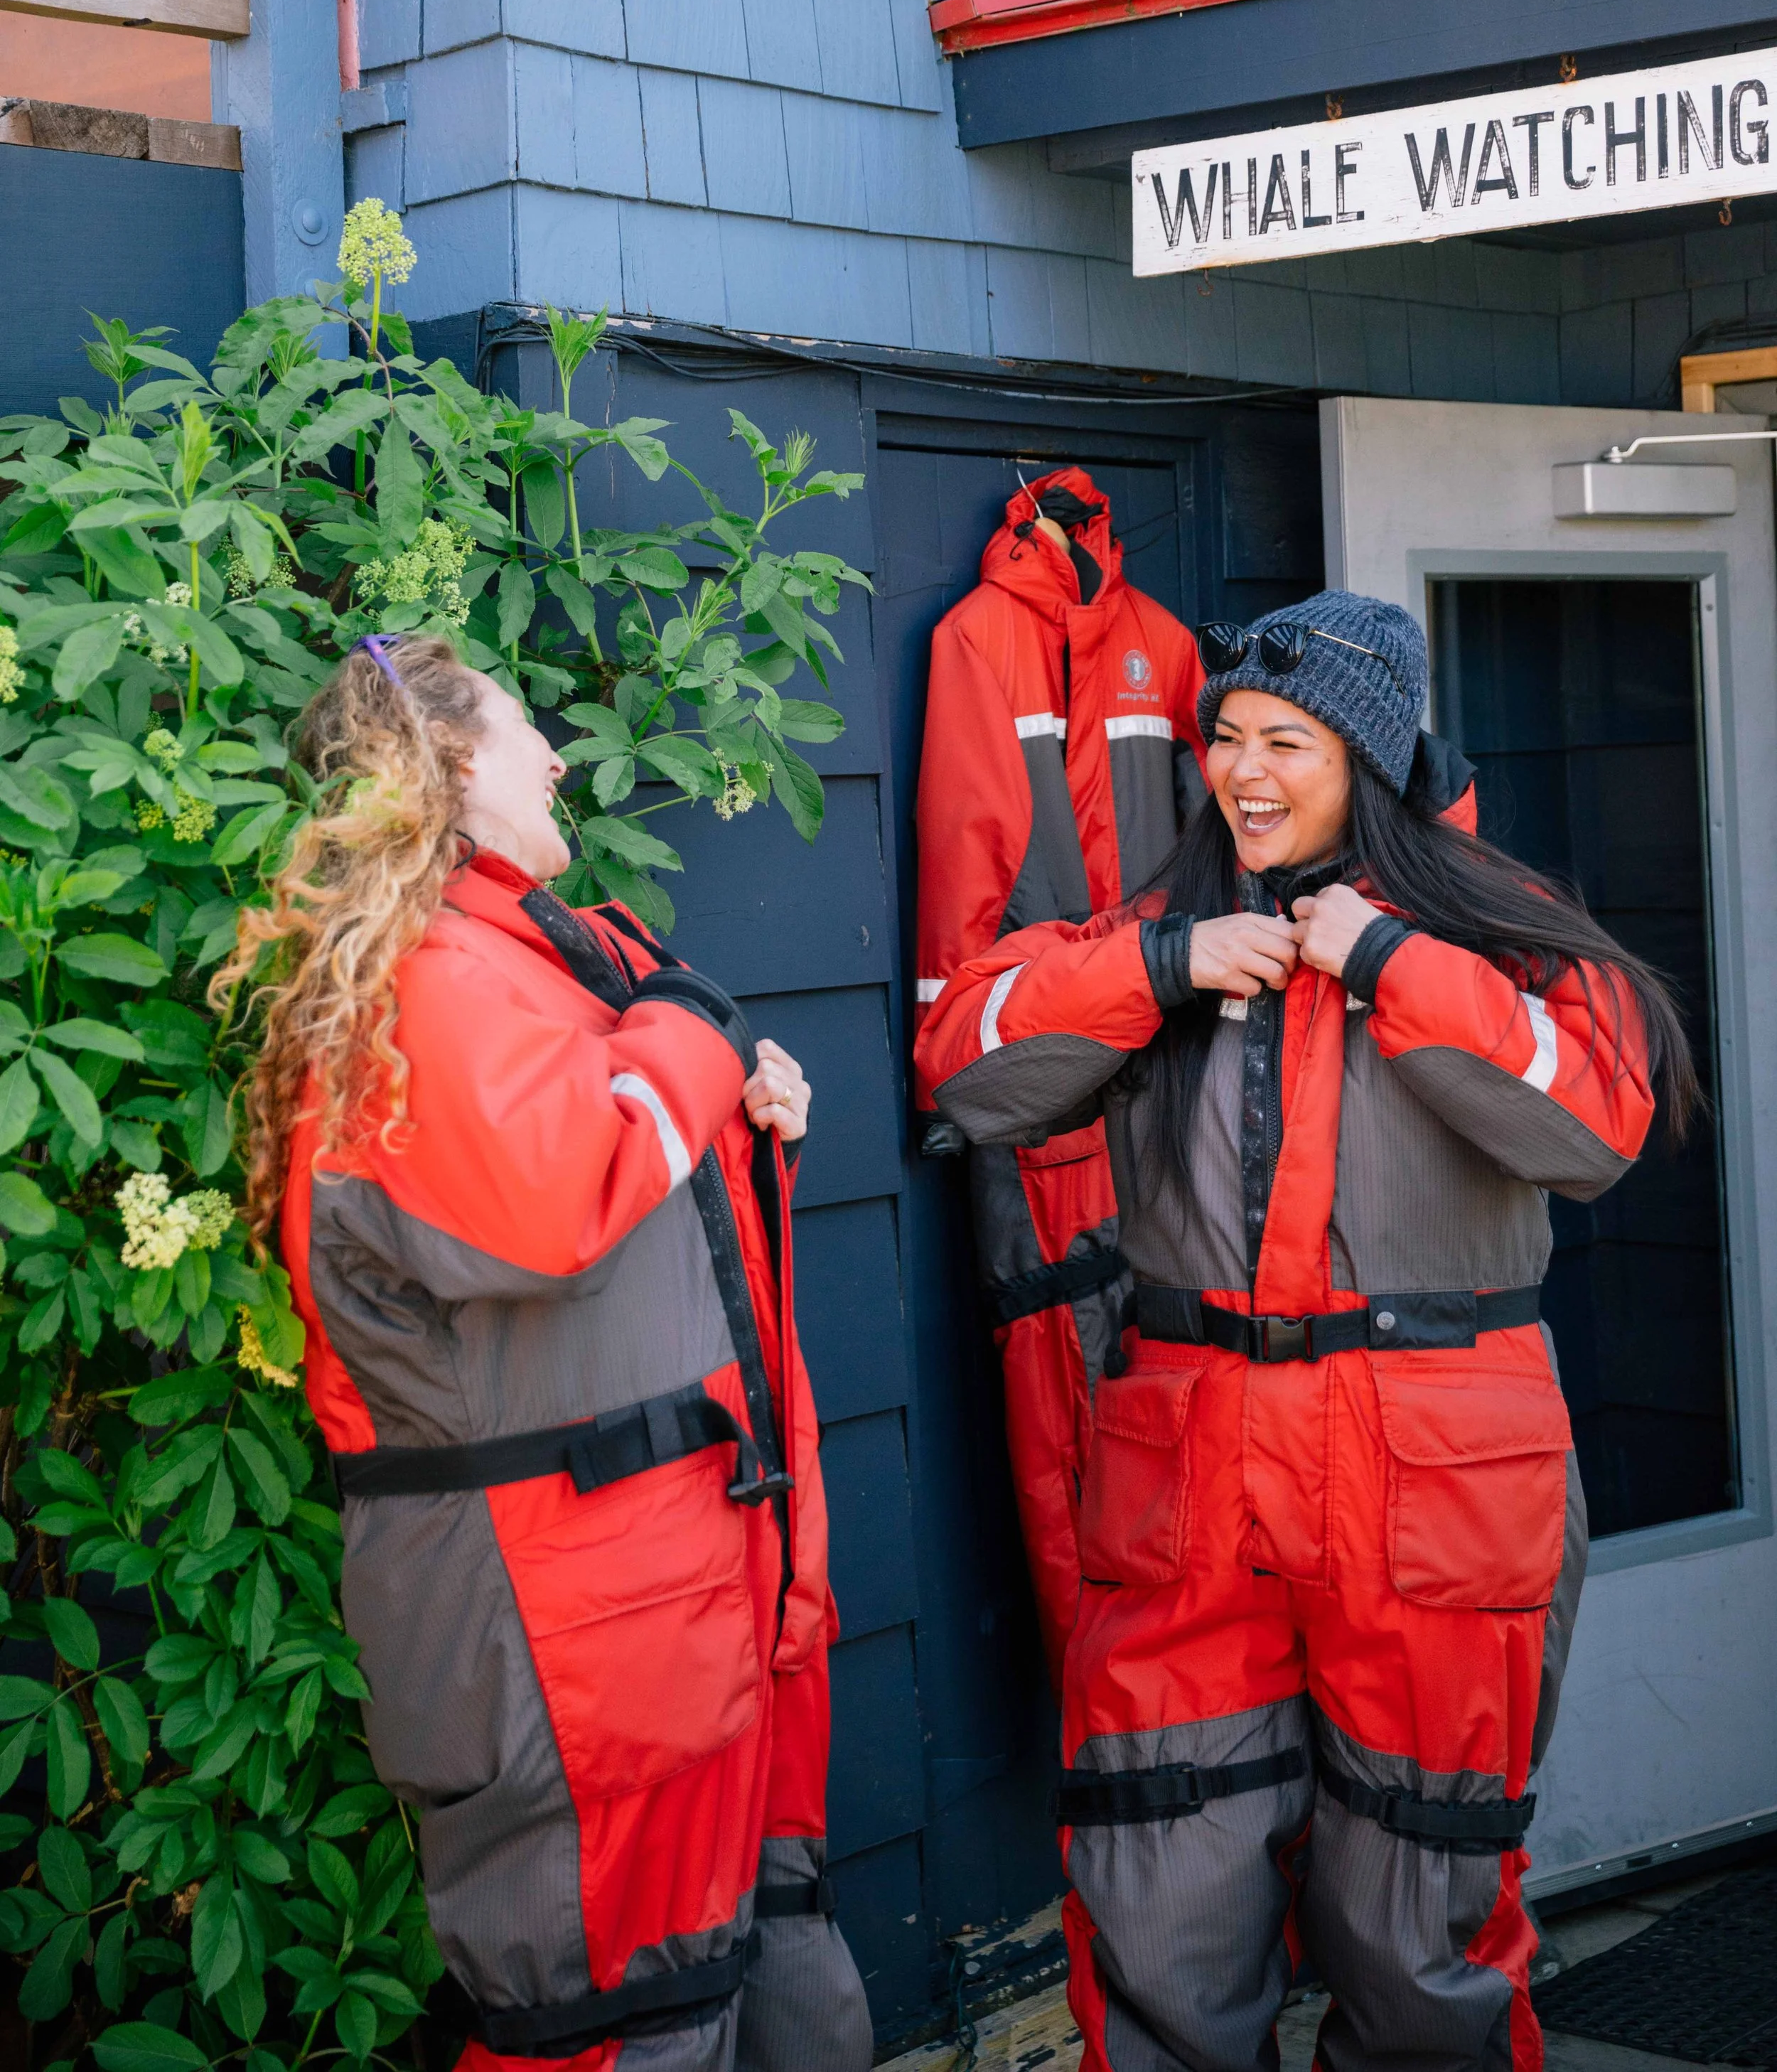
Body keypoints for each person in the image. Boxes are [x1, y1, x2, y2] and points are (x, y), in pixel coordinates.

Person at [915, 591, 1695, 2072]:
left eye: (1287, 740)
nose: (1241, 770)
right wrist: (1157, 972)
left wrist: (1387, 960)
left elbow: (1590, 1124)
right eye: (1223, 735)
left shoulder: (1506, 936)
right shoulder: (1168, 924)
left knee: (1417, 1927)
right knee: (1157, 1902)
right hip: (1188, 1477)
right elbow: (967, 1064)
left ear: (1375, 759)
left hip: (1431, 1483)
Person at [216, 635, 872, 2072]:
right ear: (457, 764)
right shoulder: (433, 980)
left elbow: (606, 1211)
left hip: (655, 1602)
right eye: (532, 734)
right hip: (573, 1637)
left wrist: (736, 1122)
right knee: (600, 2029)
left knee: (712, 1994)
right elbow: (556, 1196)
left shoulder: (518, 961)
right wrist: (696, 1036)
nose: (564, 758)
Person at [913, 468, 1208, 1679]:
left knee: (1185, 1379)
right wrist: (960, 1076)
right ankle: (1115, 1724)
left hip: (1179, 1077)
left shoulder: (1167, 646)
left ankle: (1188, 1702)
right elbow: (961, 860)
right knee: (1064, 1408)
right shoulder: (978, 641)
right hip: (1047, 1089)